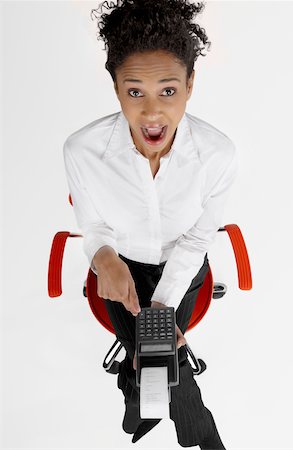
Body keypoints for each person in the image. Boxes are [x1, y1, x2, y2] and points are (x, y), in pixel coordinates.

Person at [63, 0, 238, 447]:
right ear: (116, 88)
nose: (152, 112)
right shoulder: (82, 150)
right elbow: (92, 222)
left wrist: (162, 304)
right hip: (121, 264)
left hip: (183, 267)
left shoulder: (217, 154)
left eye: (168, 90)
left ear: (190, 85)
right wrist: (102, 256)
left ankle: (138, 398)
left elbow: (199, 236)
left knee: (155, 353)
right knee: (158, 354)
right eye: (135, 92)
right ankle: (181, 424)